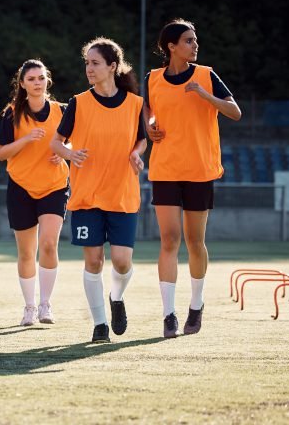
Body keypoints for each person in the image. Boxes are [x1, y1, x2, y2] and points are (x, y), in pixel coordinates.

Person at [144, 19, 241, 338]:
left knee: (195, 242)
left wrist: (204, 95)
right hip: (165, 169)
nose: (195, 45)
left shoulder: (206, 75)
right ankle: (169, 315)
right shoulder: (152, 79)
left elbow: (235, 112)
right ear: (171, 47)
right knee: (169, 240)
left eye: (195, 40)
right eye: (188, 40)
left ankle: (196, 306)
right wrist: (150, 126)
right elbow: (148, 111)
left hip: (199, 170)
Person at [51, 37, 146, 343]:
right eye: (87, 63)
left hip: (122, 194)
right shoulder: (78, 102)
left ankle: (116, 297)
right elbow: (56, 142)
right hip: (86, 196)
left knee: (121, 261)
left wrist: (136, 153)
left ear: (112, 67)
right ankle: (100, 324)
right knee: (93, 261)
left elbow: (141, 139)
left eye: (95, 63)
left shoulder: (134, 104)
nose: (89, 69)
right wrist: (69, 154)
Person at [0, 59, 69, 326]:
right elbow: (1, 153)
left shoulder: (63, 111)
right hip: (21, 187)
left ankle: (45, 305)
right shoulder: (12, 113)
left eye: (41, 78)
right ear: (22, 84)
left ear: (47, 80)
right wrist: (26, 139)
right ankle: (28, 307)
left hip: (54, 186)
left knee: (49, 244)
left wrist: (63, 154)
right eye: (31, 79)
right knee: (27, 252)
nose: (37, 83)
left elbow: (74, 142)